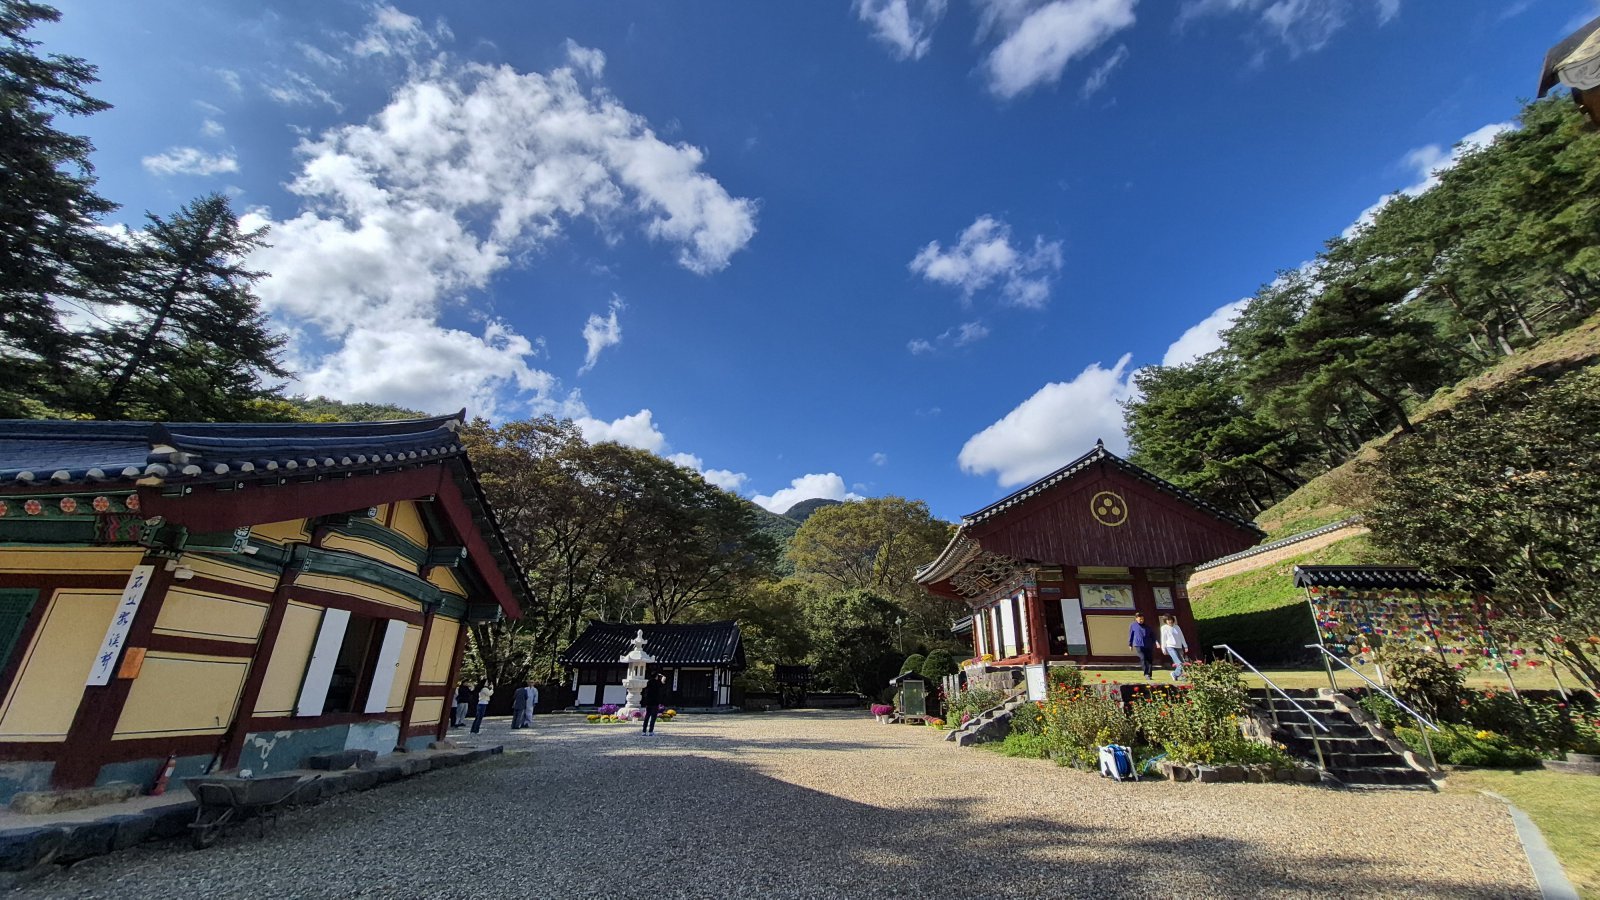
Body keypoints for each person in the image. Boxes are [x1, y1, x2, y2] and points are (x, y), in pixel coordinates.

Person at [1157, 615, 1188, 681]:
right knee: (1179, 663)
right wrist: (1163, 648)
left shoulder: (1177, 627)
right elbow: (1163, 638)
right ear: (1165, 621)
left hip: (1179, 647)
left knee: (1182, 663)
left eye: (1171, 619)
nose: (1170, 621)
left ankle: (1180, 676)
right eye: (1168, 620)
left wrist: (1185, 646)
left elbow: (1181, 636)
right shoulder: (1164, 627)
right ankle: (1175, 674)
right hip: (1170, 647)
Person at [1128, 613, 1154, 680]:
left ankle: (1149, 674)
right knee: (1143, 658)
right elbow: (1131, 635)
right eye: (1140, 619)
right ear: (1136, 619)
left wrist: (1155, 643)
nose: (1141, 620)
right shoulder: (1133, 625)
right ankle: (1146, 674)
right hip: (1138, 644)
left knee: (1150, 660)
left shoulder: (1147, 626)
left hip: (1148, 645)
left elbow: (1152, 635)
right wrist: (1130, 644)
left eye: (1142, 619)